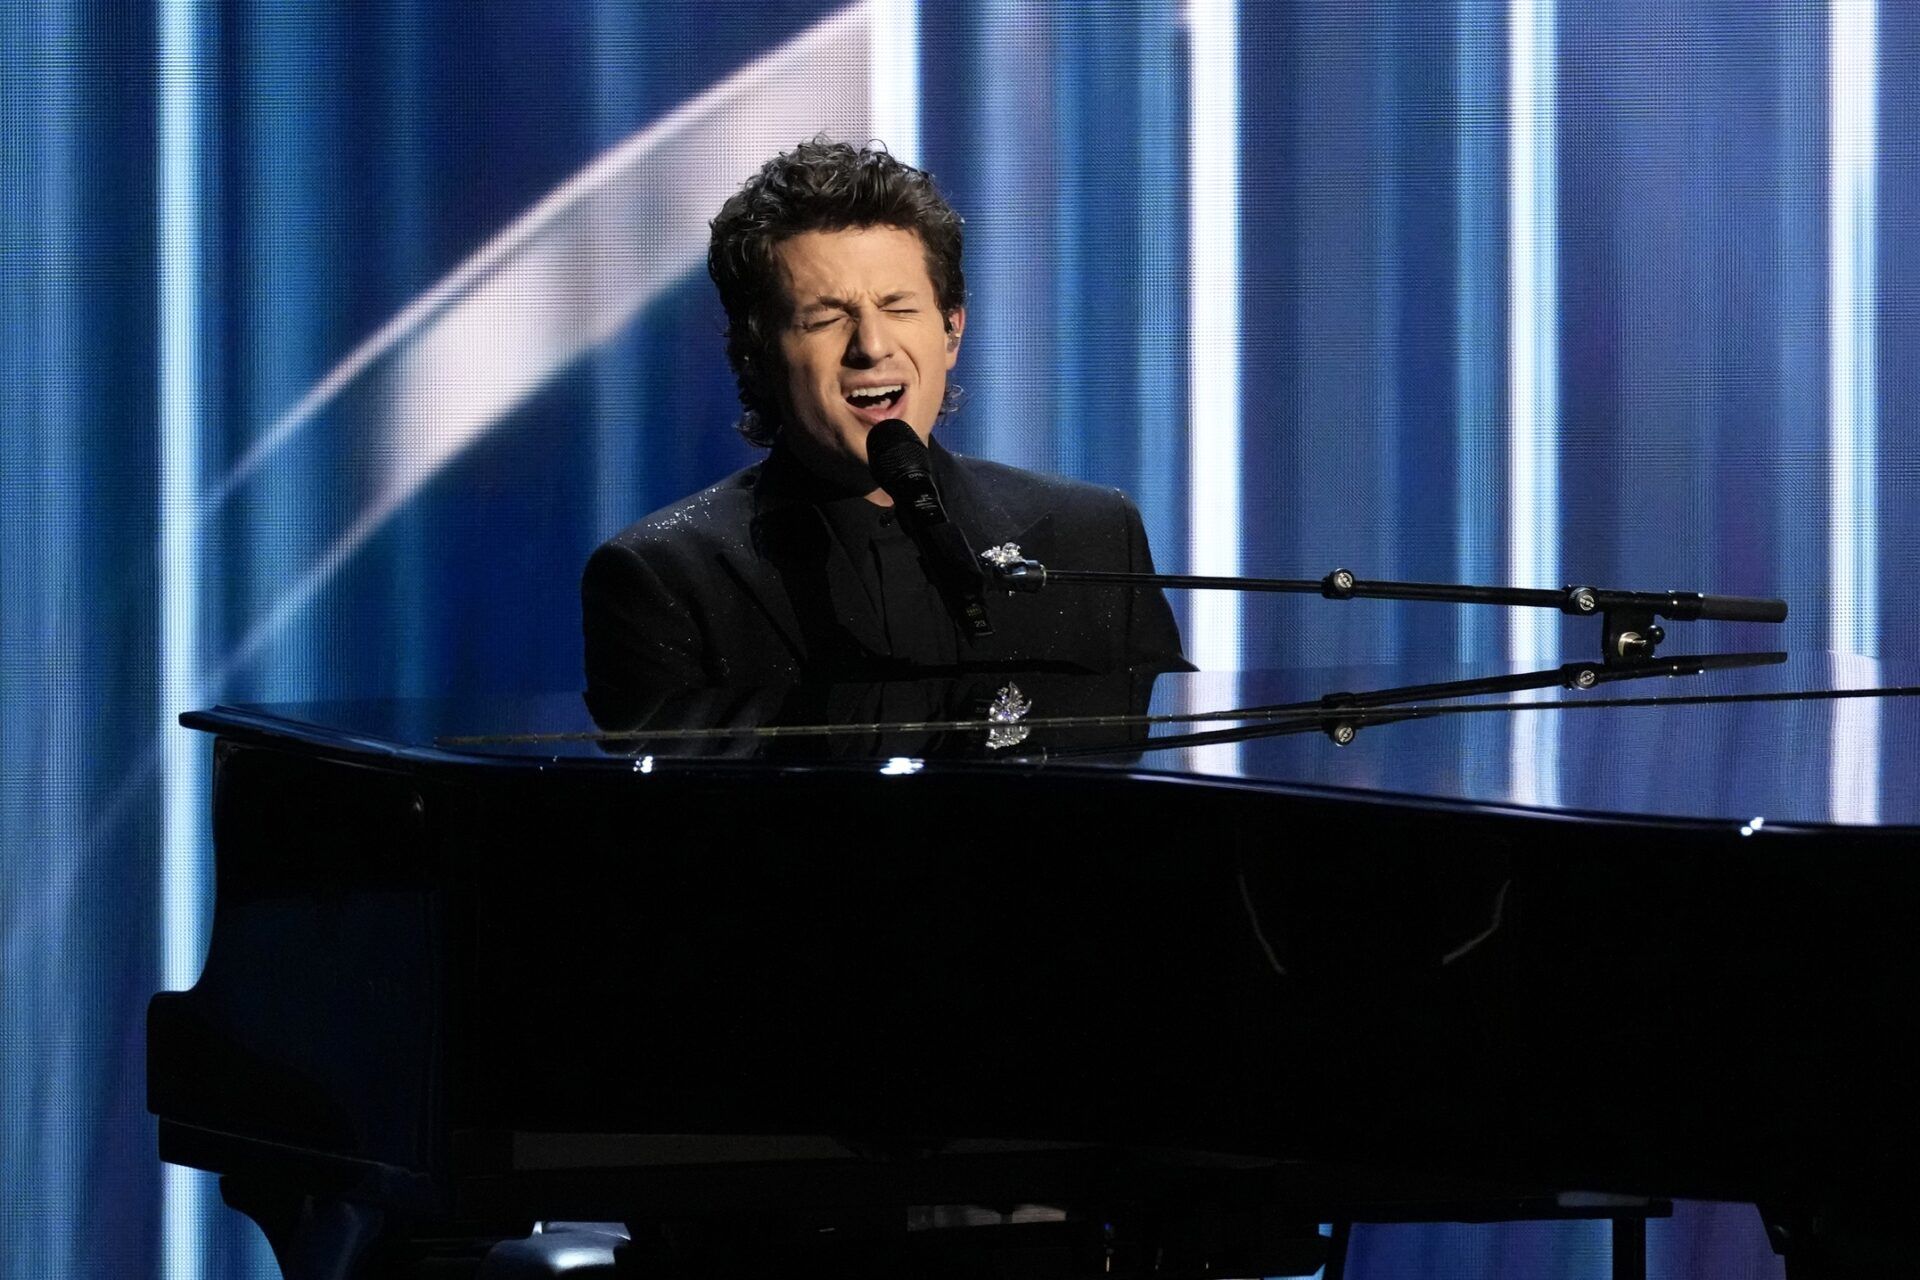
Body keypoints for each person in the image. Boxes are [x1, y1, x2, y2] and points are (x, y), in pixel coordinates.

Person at [582, 138, 1186, 697]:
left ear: (952, 331)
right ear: (755, 352)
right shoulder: (664, 579)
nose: (871, 345)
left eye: (898, 308)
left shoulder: (1097, 534)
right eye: (824, 319)